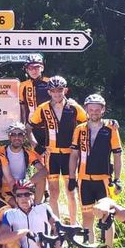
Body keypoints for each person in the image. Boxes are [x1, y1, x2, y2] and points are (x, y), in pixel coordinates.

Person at [28, 76, 86, 224]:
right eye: (53, 91)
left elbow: (90, 122)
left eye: (60, 90)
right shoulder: (43, 108)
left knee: (70, 190)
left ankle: (73, 224)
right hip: (52, 154)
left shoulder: (74, 107)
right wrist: (36, 146)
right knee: (53, 191)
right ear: (49, 92)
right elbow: (28, 128)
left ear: (65, 90)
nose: (57, 93)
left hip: (69, 155)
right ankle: (57, 225)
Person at [68, 94, 122, 245]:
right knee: (87, 218)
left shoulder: (111, 128)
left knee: (106, 217)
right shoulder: (79, 129)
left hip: (103, 180)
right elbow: (74, 155)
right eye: (91, 109)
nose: (94, 112)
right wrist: (72, 177)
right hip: (84, 180)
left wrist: (118, 179)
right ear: (86, 110)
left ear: (103, 110)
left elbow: (118, 154)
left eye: (97, 109)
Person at [0, 121, 47, 204]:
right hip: (5, 188)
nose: (17, 137)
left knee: (41, 178)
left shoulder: (28, 153)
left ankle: (37, 207)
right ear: (9, 137)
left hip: (21, 186)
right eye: (13, 134)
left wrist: (30, 182)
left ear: (24, 137)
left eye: (20, 134)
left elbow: (44, 171)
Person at [18, 54, 50, 124]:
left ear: (42, 68)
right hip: (30, 125)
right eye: (30, 68)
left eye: (36, 67)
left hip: (49, 123)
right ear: (26, 70)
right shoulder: (23, 85)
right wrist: (22, 124)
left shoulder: (50, 82)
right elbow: (22, 107)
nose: (33, 71)